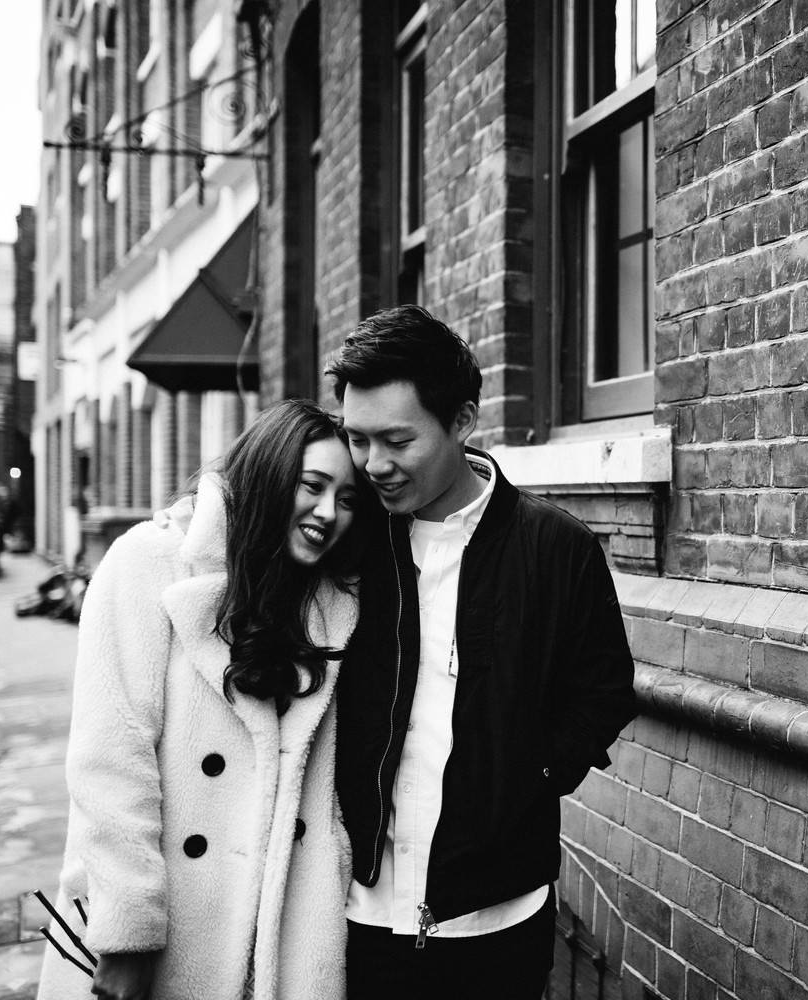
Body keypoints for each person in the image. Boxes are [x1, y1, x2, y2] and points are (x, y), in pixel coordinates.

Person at [329, 305, 637, 999]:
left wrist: (529, 777)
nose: (374, 465)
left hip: (497, 922)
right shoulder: (350, 544)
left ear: (462, 421)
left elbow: (604, 690)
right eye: (358, 439)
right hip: (355, 910)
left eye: (397, 440)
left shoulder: (555, 549)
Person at [36, 399, 374, 1000]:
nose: (329, 512)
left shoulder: (330, 602)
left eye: (348, 500)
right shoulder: (149, 562)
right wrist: (127, 933)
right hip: (168, 917)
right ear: (270, 476)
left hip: (284, 928)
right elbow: (111, 759)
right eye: (312, 486)